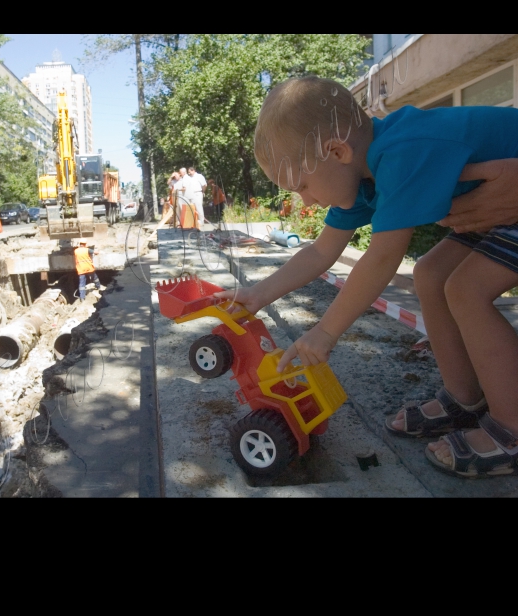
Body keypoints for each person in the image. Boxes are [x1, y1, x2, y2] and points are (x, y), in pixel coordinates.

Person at [217, 75, 518, 479]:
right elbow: (322, 250)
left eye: (302, 185)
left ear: (337, 151)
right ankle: (464, 399)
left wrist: (325, 332)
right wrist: (256, 295)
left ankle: (510, 429)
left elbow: (382, 257)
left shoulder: (402, 151)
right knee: (429, 273)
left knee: (466, 289)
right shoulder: (361, 176)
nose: (305, 200)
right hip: (496, 211)